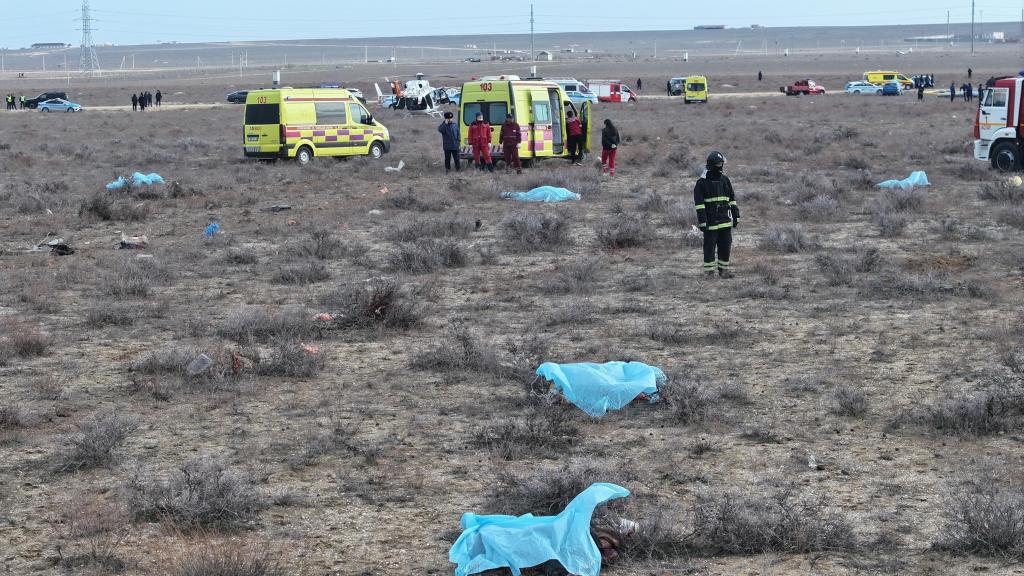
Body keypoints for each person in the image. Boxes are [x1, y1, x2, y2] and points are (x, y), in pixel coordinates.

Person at [694, 151, 740, 278]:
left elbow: (732, 199)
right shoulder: (701, 183)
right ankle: (709, 273)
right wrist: (703, 222)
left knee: (725, 246)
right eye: (719, 164)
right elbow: (699, 205)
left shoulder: (725, 180)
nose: (721, 166)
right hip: (711, 223)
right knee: (709, 248)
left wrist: (736, 215)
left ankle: (723, 271)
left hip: (725, 221)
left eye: (722, 163)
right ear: (712, 165)